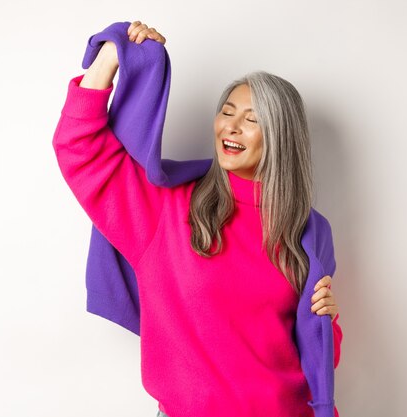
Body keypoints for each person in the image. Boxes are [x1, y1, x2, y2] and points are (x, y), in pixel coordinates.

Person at [53, 20, 342, 417]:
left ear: (280, 136)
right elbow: (79, 149)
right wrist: (109, 57)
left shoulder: (308, 229)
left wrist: (327, 319)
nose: (232, 126)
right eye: (227, 112)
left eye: (252, 119)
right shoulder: (167, 209)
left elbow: (316, 354)